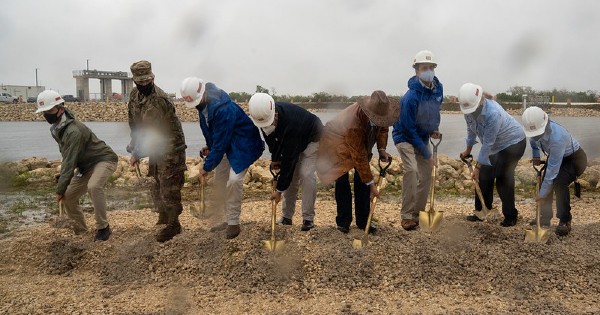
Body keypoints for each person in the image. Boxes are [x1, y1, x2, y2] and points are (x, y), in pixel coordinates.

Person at [180, 77, 264, 239]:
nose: (195, 105)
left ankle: (233, 223)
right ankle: (226, 219)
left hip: (243, 146)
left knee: (234, 181)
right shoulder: (203, 106)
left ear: (202, 92)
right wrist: (210, 147)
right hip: (227, 144)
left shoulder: (224, 109)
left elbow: (222, 139)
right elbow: (215, 134)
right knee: (220, 181)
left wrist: (206, 166)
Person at [36, 90, 117, 241]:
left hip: (104, 159)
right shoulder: (56, 128)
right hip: (85, 167)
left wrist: (60, 187)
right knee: (68, 197)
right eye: (44, 112)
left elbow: (69, 159)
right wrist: (64, 179)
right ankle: (81, 232)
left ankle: (103, 228)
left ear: (61, 108)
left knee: (94, 186)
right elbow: (67, 155)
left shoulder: (74, 131)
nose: (47, 114)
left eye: (49, 110)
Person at [317, 90, 398, 234]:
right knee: (342, 180)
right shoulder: (354, 122)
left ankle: (363, 221)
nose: (380, 120)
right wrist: (372, 185)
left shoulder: (381, 111)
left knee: (362, 181)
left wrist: (381, 149)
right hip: (336, 141)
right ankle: (343, 222)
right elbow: (359, 155)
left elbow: (383, 129)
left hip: (359, 142)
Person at [127, 60, 187, 242]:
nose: (144, 85)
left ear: (152, 78)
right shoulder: (134, 95)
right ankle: (162, 215)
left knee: (169, 183)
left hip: (170, 145)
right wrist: (134, 143)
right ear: (135, 81)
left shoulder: (159, 100)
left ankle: (174, 224)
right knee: (155, 179)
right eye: (141, 82)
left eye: (147, 81)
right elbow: (135, 123)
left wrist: (137, 153)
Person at [247, 93, 323, 231]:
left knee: (305, 174)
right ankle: (287, 217)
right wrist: (275, 159)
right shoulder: (263, 115)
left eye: (269, 123)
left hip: (313, 137)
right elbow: (272, 141)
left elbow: (289, 158)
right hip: (295, 141)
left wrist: (279, 190)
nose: (266, 125)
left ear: (275, 114)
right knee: (291, 178)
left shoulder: (291, 123)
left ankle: (308, 219)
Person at [458, 83, 526, 227]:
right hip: (495, 146)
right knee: (484, 177)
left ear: (481, 100)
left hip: (513, 143)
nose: (471, 111)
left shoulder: (493, 113)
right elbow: (471, 131)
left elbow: (488, 144)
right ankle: (481, 211)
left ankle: (510, 216)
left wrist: (477, 167)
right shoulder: (468, 110)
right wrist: (468, 151)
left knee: (503, 177)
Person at [392, 50, 443, 231]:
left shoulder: (438, 89)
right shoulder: (410, 98)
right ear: (417, 71)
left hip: (422, 136)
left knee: (427, 174)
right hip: (404, 136)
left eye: (431, 67)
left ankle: (417, 214)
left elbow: (435, 111)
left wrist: (434, 128)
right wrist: (427, 153)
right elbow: (409, 129)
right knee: (411, 170)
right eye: (424, 68)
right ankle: (406, 216)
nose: (428, 71)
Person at [521, 106, 587, 236]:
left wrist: (542, 194)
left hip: (575, 159)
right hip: (558, 157)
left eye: (537, 133)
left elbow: (552, 171)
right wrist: (535, 156)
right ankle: (545, 218)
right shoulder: (534, 129)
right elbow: (533, 141)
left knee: (558, 182)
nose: (535, 136)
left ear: (544, 124)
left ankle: (565, 220)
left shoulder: (557, 137)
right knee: (546, 184)